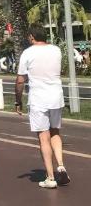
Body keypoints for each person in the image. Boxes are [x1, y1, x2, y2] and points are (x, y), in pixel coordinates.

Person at [15, 24, 70, 189]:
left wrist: (18, 100)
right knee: (55, 132)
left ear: (32, 36)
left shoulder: (28, 53)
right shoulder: (56, 50)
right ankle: (61, 165)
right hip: (56, 96)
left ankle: (50, 177)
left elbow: (20, 81)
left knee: (43, 137)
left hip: (39, 99)